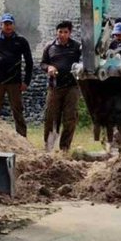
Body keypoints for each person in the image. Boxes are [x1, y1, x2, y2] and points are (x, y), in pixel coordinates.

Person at [40, 20, 82, 151]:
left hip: (72, 87)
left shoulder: (77, 47)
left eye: (65, 32)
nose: (62, 35)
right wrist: (49, 67)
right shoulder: (49, 47)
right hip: (55, 87)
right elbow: (42, 63)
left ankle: (64, 148)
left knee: (70, 118)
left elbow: (84, 61)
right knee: (51, 117)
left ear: (70, 33)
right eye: (60, 32)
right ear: (56, 32)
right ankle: (49, 148)